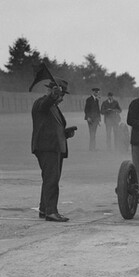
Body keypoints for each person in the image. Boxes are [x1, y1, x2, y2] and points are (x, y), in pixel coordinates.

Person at [31, 78, 76, 222]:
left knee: (49, 179)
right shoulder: (42, 103)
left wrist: (65, 133)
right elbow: (44, 105)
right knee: (51, 180)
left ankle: (44, 208)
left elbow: (51, 126)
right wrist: (52, 96)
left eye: (62, 96)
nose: (61, 99)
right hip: (47, 148)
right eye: (60, 95)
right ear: (51, 91)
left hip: (54, 147)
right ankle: (51, 211)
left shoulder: (54, 107)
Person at [83, 87, 102, 151]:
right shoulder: (89, 99)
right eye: (96, 92)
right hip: (90, 119)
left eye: (97, 92)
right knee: (92, 133)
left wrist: (99, 119)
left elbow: (97, 110)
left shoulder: (96, 100)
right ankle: (91, 148)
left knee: (94, 134)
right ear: (93, 92)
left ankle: (93, 147)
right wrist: (88, 117)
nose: (97, 93)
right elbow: (86, 109)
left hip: (96, 119)